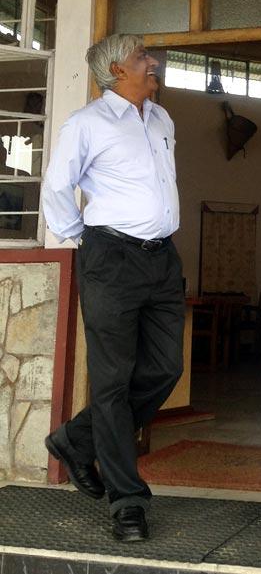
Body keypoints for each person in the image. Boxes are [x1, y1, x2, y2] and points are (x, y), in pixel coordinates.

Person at [41, 34, 184, 543]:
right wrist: (85, 239)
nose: (153, 63)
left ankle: (76, 440)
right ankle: (127, 502)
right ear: (117, 71)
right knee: (113, 381)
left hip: (162, 258)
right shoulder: (86, 124)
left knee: (167, 367)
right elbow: (57, 187)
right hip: (111, 258)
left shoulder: (162, 119)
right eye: (143, 57)